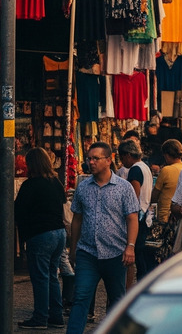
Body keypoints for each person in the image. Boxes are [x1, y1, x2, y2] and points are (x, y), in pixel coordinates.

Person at [66, 142, 138, 334]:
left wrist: (130, 246)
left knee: (116, 301)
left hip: (115, 254)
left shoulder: (124, 188)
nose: (91, 162)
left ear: (108, 160)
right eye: (89, 158)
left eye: (95, 158)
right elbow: (77, 219)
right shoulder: (83, 187)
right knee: (81, 297)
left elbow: (132, 218)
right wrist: (73, 248)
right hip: (88, 253)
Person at [15, 148, 67, 329]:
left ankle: (40, 318)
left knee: (41, 277)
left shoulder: (30, 185)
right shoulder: (55, 182)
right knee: (52, 275)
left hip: (40, 234)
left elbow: (19, 211)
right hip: (59, 233)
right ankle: (56, 316)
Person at [118, 140, 154, 279]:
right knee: (140, 257)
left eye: (122, 158)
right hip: (144, 214)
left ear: (127, 155)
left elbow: (133, 195)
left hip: (137, 217)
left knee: (138, 257)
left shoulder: (135, 169)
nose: (122, 162)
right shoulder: (145, 167)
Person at [151, 139, 182, 225]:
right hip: (180, 215)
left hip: (166, 216)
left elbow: (155, 195)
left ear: (166, 155)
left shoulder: (166, 170)